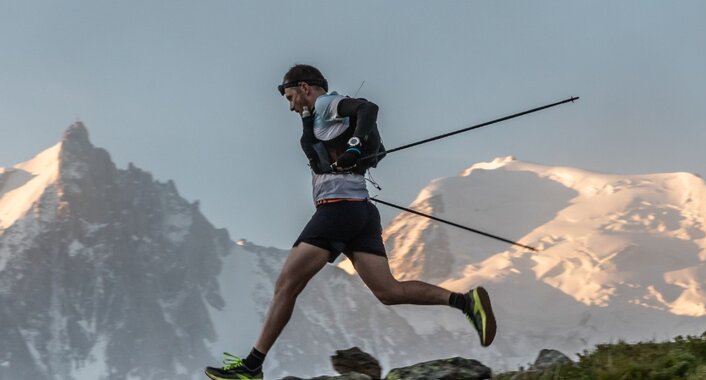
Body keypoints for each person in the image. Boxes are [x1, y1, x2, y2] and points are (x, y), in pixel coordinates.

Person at [205, 64, 496, 379]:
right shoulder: (321, 116)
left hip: (337, 211)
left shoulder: (327, 104)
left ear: (305, 87)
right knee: (389, 291)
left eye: (291, 97)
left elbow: (368, 108)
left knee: (286, 284)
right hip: (360, 211)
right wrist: (354, 154)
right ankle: (465, 303)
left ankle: (252, 367)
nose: (290, 106)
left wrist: (354, 148)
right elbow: (378, 150)